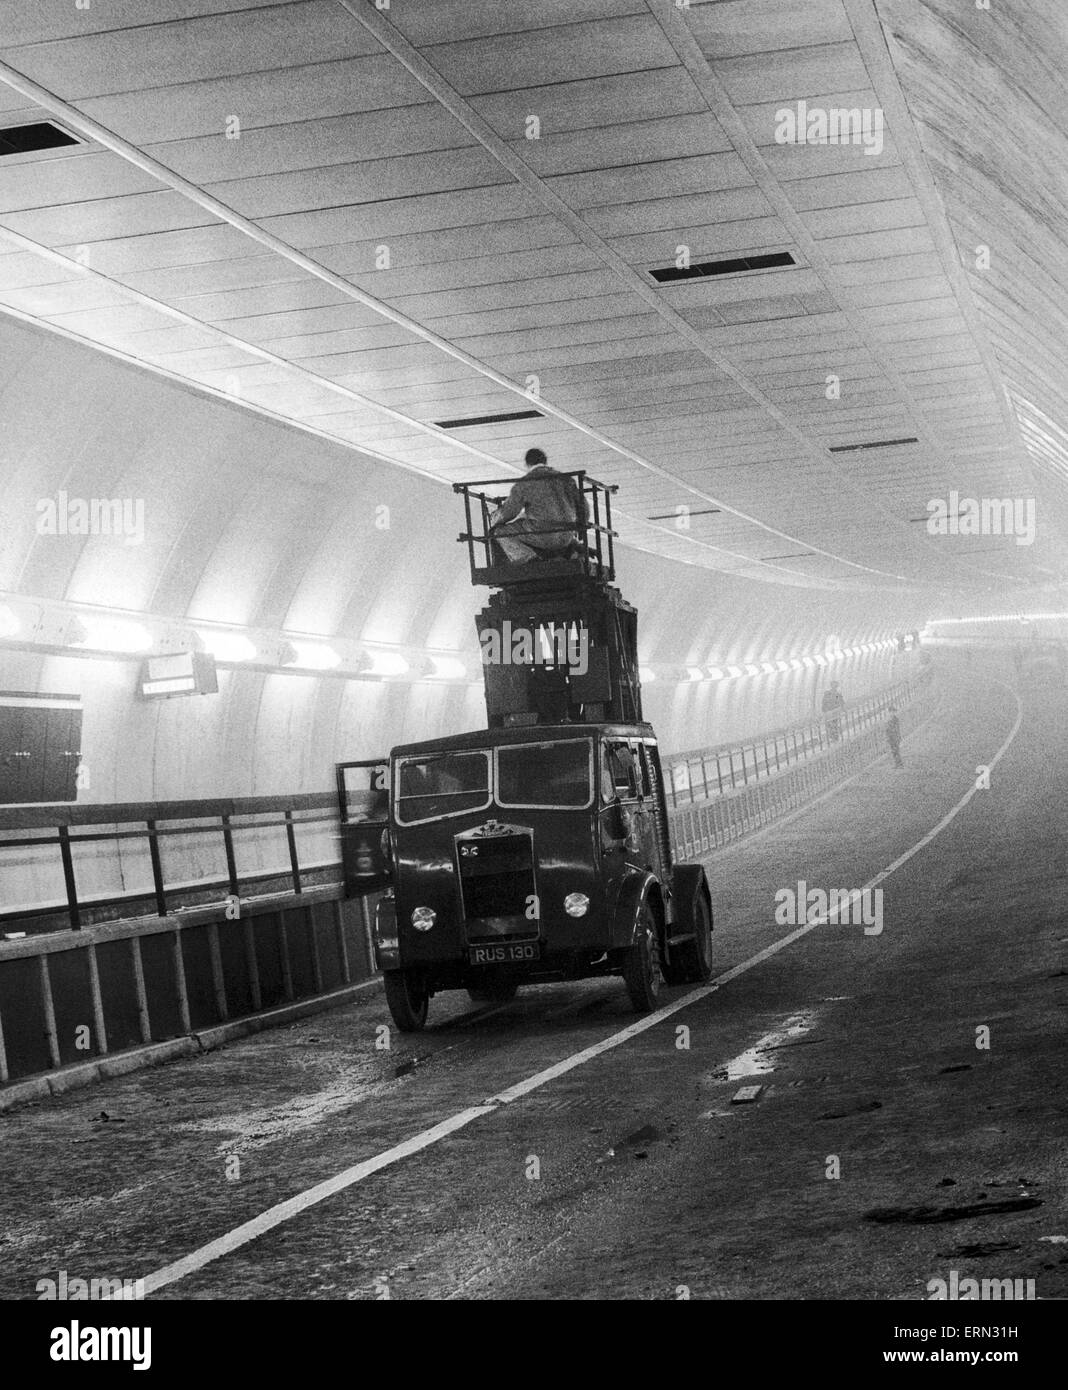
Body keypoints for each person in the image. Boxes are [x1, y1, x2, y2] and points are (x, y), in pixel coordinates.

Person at [488, 448, 588, 564]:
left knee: (500, 532)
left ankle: (530, 558)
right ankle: (571, 551)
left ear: (527, 464)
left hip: (543, 536)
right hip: (567, 537)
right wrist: (581, 526)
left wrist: (494, 519)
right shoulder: (567, 480)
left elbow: (509, 512)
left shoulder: (525, 482)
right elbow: (584, 507)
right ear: (545, 462)